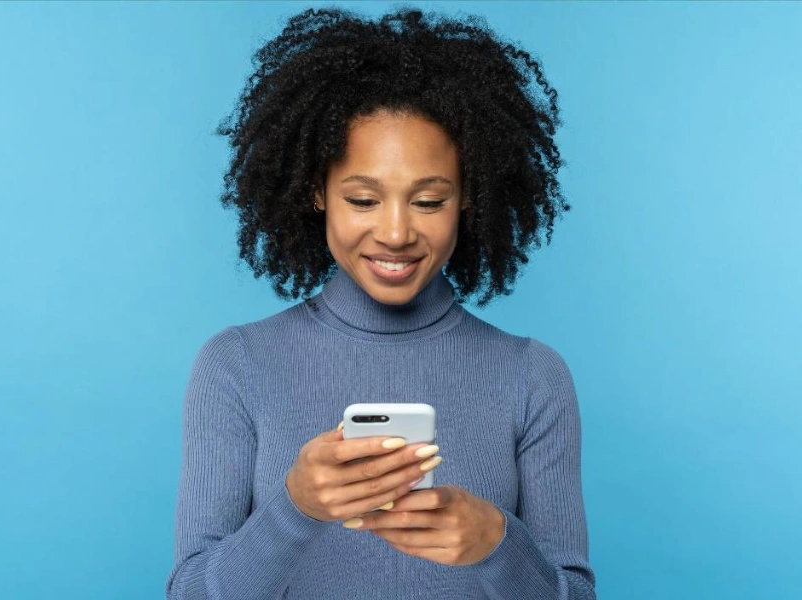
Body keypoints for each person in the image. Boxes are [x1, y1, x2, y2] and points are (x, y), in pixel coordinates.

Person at [165, 6, 594, 599]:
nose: (395, 233)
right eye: (363, 199)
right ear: (316, 191)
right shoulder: (236, 365)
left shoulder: (532, 375)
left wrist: (499, 544)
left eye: (429, 201)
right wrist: (294, 508)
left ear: (469, 196)